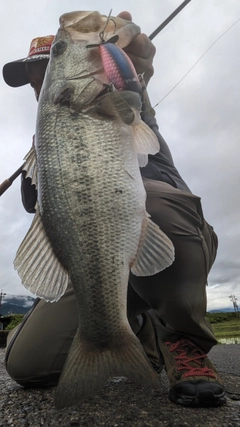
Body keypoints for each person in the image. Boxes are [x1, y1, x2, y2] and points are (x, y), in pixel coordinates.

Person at [2, 11, 226, 408]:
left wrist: (134, 69)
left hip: (157, 242)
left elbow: (136, 81)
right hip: (96, 264)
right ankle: (129, 326)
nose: (39, 83)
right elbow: (49, 224)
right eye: (33, 79)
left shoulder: (121, 102)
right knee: (26, 365)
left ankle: (182, 339)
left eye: (50, 62)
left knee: (157, 201)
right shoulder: (40, 149)